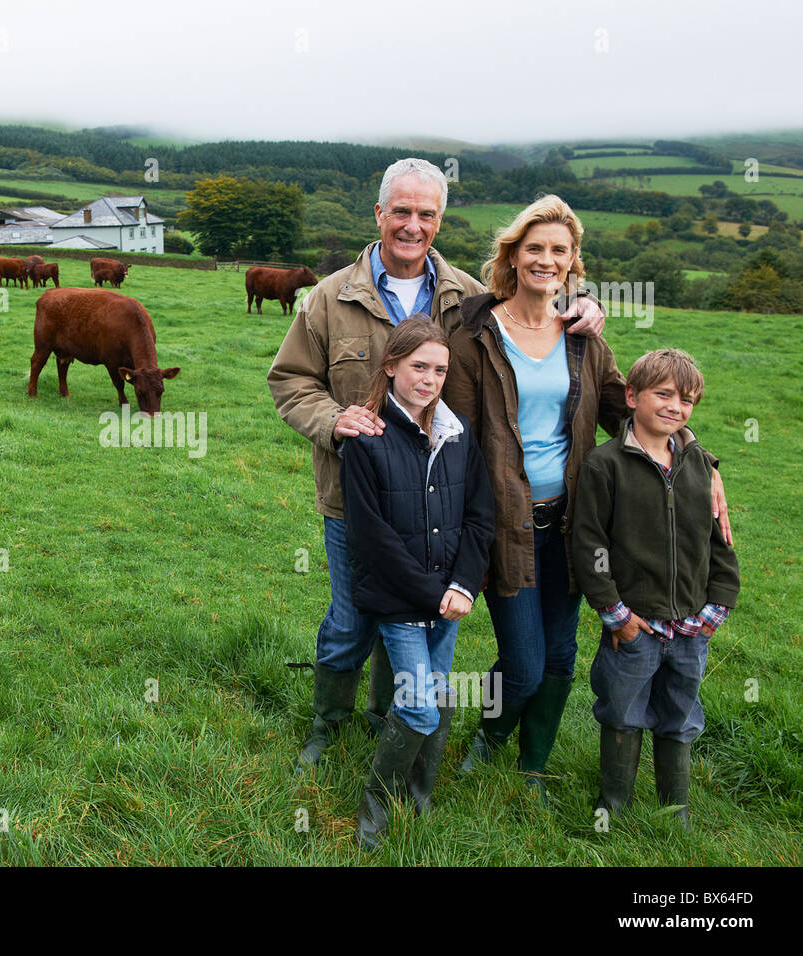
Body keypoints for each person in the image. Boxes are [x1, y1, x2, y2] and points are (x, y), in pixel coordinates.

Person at [268, 159, 605, 772]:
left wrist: (581, 304)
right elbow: (290, 382)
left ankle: (390, 719)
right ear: (379, 214)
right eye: (401, 211)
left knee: (423, 620)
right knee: (352, 619)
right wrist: (333, 420)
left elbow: (536, 308)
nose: (412, 225)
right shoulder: (329, 297)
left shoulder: (470, 301)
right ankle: (328, 722)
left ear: (440, 221)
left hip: (441, 507)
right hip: (355, 500)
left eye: (426, 214)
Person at [443, 195, 733, 802]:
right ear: (513, 256)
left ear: (573, 262)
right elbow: (457, 437)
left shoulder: (584, 340)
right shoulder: (475, 336)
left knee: (561, 656)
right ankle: (489, 740)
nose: (546, 261)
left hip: (575, 527)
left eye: (559, 251)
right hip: (505, 525)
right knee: (522, 663)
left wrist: (702, 463)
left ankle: (532, 765)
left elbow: (633, 413)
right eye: (534, 249)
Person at [340, 318, 494, 850]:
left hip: (450, 599)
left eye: (440, 370)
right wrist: (433, 593)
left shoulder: (457, 433)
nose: (429, 379)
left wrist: (464, 585)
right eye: (418, 367)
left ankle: (419, 793)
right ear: (391, 367)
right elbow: (371, 536)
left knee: (435, 688)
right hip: (402, 601)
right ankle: (374, 807)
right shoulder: (367, 439)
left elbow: (479, 516)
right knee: (418, 704)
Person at [572, 349, 739, 829]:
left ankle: (675, 810)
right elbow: (589, 545)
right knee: (623, 710)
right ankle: (614, 803)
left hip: (692, 625)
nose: (675, 407)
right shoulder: (605, 465)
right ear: (631, 396)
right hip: (634, 625)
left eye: (686, 400)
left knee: (680, 713)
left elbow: (720, 543)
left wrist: (718, 607)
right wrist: (615, 614)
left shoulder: (700, 467)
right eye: (663, 395)